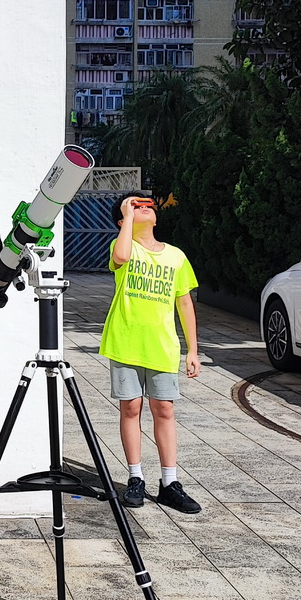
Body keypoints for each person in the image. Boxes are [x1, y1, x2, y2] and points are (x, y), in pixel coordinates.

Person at [100, 192, 203, 514]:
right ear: (122, 220)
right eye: (135, 206)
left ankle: (170, 482)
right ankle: (135, 477)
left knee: (164, 410)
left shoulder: (176, 256)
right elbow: (120, 256)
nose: (143, 208)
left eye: (147, 206)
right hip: (125, 342)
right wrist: (127, 216)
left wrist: (193, 349)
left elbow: (184, 303)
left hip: (162, 345)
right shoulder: (123, 247)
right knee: (130, 408)